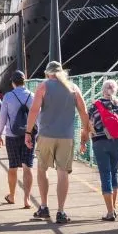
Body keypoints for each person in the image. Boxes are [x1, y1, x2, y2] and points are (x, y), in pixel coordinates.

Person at [25, 61, 90, 224]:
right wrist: (85, 132)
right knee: (63, 173)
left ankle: (44, 207)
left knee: (42, 169)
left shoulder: (43, 86)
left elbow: (34, 110)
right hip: (66, 136)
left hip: (46, 135)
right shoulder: (73, 88)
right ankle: (61, 211)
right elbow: (83, 111)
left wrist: (28, 132)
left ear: (48, 73)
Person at [90, 78, 118, 221]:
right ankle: (113, 208)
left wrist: (88, 138)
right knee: (114, 172)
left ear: (102, 90)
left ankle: (110, 212)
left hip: (100, 141)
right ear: (116, 90)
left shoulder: (95, 105)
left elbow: (88, 126)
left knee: (105, 174)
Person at [0, 71, 35, 208]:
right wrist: (38, 134)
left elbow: (2, 117)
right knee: (27, 166)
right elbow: (38, 116)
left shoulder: (8, 96)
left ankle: (12, 196)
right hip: (29, 135)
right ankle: (27, 199)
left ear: (13, 82)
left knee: (12, 167)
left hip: (12, 135)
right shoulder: (32, 96)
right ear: (25, 81)